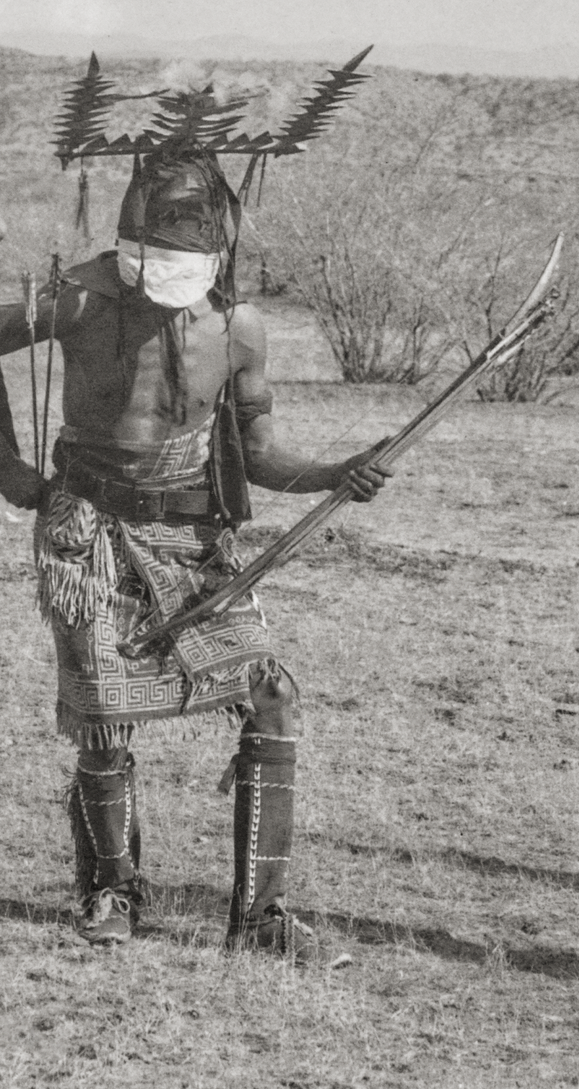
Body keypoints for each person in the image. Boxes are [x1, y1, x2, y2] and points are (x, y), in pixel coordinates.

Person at [0, 130, 390, 965]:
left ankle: (261, 916)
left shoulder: (239, 326)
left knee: (271, 694)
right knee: (103, 715)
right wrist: (9, 469)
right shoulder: (77, 298)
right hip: (89, 532)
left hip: (195, 536)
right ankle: (111, 886)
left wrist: (337, 471)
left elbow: (259, 452)